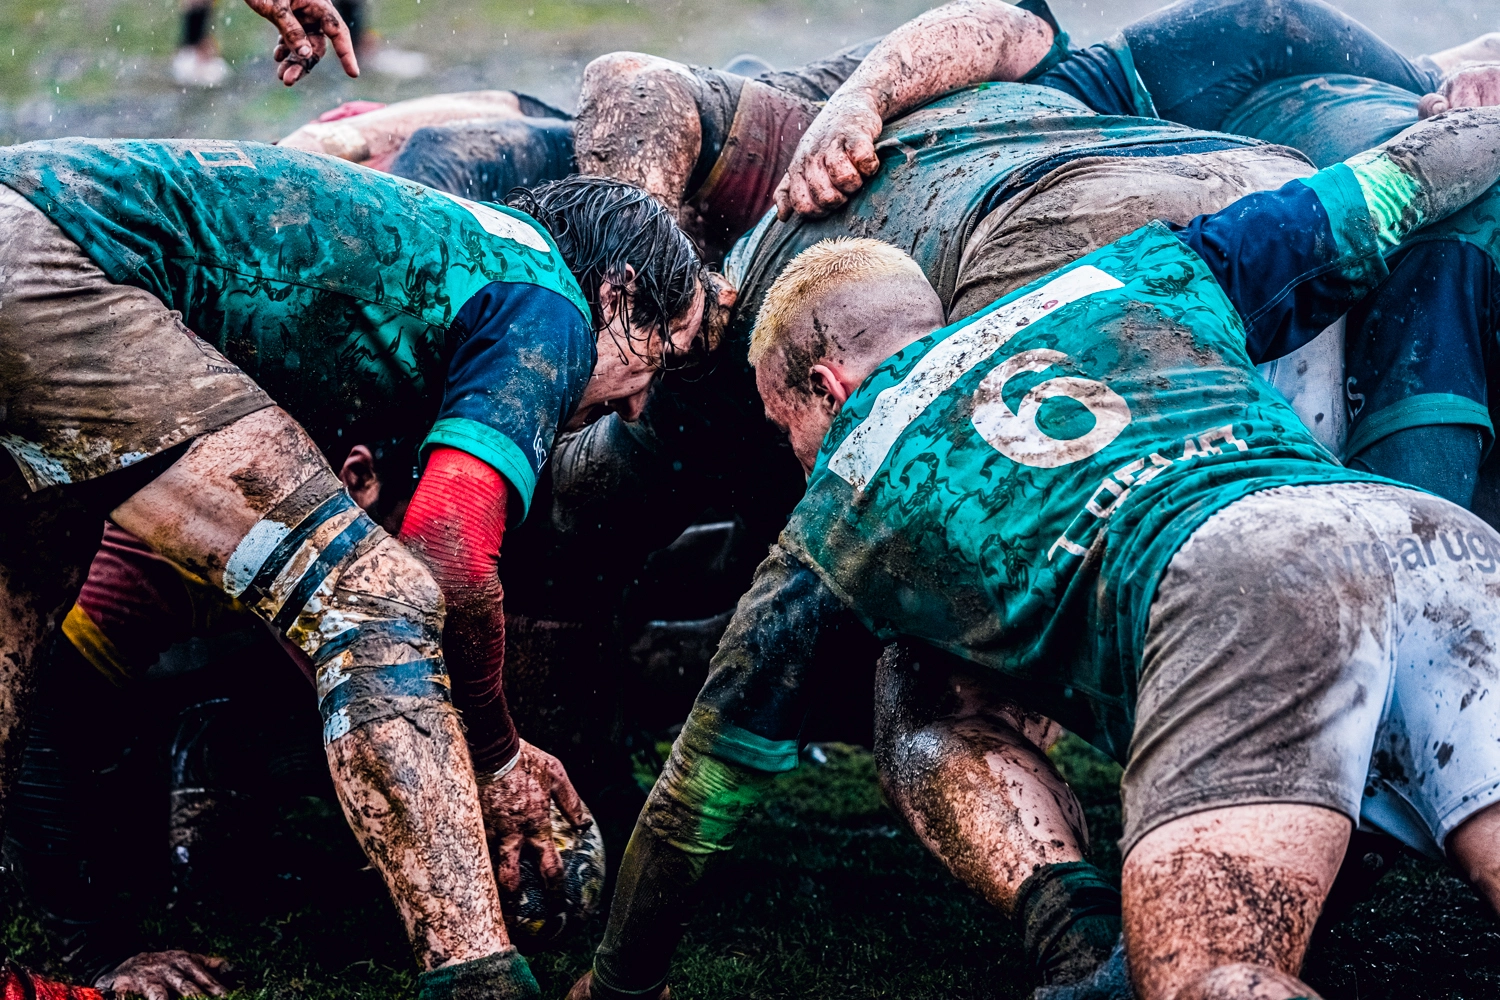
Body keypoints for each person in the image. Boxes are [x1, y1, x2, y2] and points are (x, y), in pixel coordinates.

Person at [569, 106, 1500, 1000]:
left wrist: (622, 981)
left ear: (827, 385)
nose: (797, 458)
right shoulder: (1133, 273)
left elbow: (695, 795)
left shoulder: (841, 505)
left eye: (786, 431)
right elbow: (1402, 180)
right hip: (1428, 538)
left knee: (1207, 979)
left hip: (1240, 584)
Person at [0, 138, 702, 999]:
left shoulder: (447, 281)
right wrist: (496, 752)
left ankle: (61, 955)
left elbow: (321, 623)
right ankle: (481, 983)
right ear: (618, 291)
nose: (637, 402)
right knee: (381, 599)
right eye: (658, 357)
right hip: (55, 261)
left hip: (32, 232)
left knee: (21, 605)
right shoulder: (550, 300)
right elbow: (447, 556)